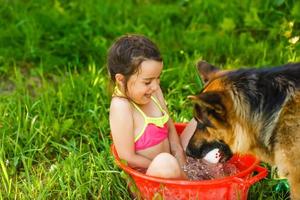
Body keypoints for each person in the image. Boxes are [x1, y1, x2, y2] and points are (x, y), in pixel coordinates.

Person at [108, 34, 188, 179]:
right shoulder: (121, 107)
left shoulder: (153, 91)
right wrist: (171, 165)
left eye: (158, 78)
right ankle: (194, 191)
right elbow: (127, 157)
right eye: (147, 82)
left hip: (173, 167)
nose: (156, 86)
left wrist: (180, 158)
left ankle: (191, 183)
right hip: (149, 177)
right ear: (120, 80)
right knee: (165, 162)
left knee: (199, 122)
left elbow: (171, 130)